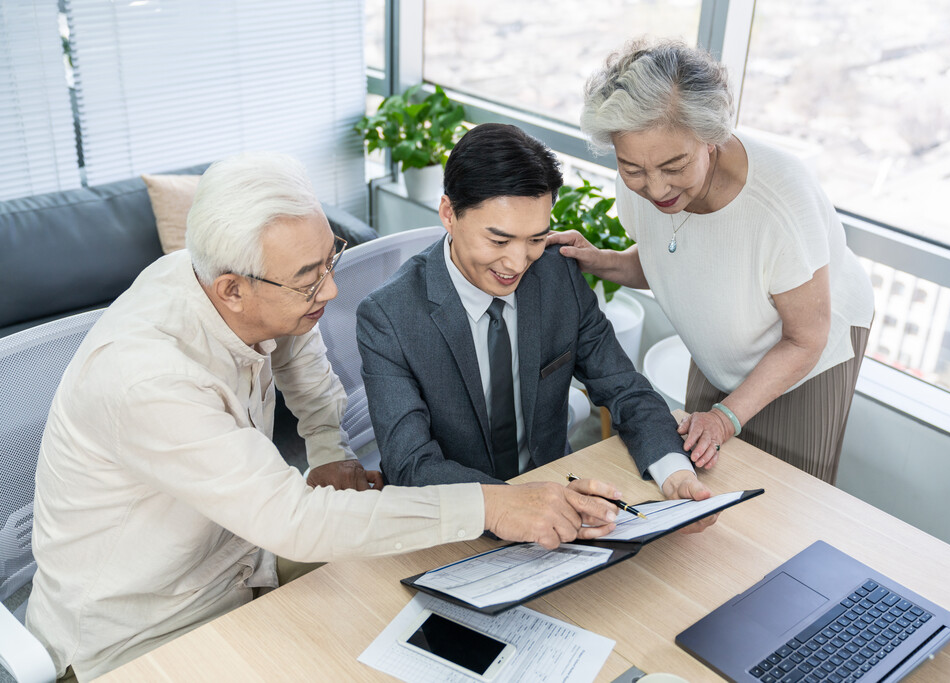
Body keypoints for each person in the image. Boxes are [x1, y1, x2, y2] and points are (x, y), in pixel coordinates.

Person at [25, 152, 621, 682]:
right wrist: (493, 504)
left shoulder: (214, 276)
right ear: (232, 289)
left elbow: (299, 356)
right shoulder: (148, 380)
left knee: (421, 605)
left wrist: (329, 450)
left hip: (238, 564)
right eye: (310, 281)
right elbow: (292, 519)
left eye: (328, 260)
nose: (332, 292)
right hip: (142, 631)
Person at [549, 39, 874, 484]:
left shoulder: (779, 204)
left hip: (807, 357)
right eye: (634, 169)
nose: (656, 188)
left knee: (782, 504)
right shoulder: (644, 171)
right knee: (705, 478)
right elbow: (664, 261)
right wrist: (597, 260)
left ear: (711, 137)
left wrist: (724, 417)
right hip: (720, 340)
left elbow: (805, 338)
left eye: (674, 165)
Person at [356, 123, 713, 504]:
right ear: (448, 214)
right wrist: (521, 505)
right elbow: (413, 466)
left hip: (554, 487)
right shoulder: (388, 317)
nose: (516, 263)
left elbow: (624, 386)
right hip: (455, 516)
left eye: (536, 239)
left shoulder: (556, 276)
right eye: (499, 240)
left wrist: (675, 471)